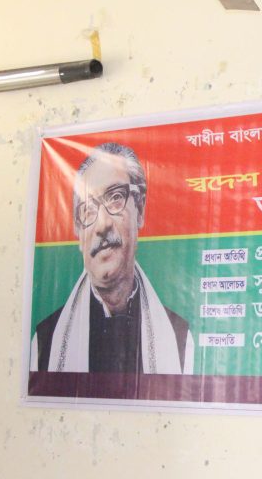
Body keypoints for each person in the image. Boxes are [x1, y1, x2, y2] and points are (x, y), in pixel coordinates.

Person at [30, 142, 193, 374]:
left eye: (115, 197)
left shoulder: (180, 340)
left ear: (140, 210)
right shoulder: (44, 344)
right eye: (87, 209)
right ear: (78, 234)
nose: (102, 224)